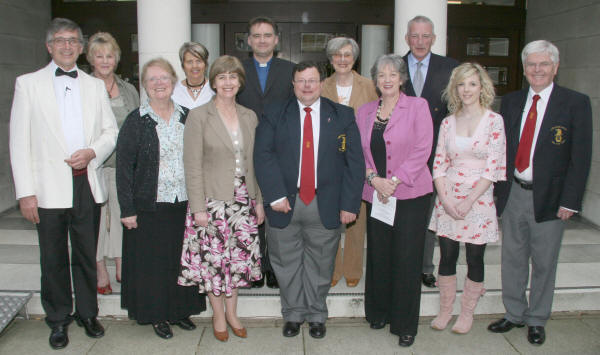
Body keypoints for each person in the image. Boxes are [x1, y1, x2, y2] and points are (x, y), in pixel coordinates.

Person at [9, 18, 118, 350]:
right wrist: (26, 192)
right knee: (53, 258)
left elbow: (110, 132)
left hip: (86, 182)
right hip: (47, 190)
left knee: (87, 254)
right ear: (49, 46)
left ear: (81, 47)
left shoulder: (94, 85)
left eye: (73, 40)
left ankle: (88, 313)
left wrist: (91, 152)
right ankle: (58, 319)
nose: (67, 45)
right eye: (60, 40)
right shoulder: (27, 84)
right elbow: (19, 142)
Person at [488, 40, 592, 346]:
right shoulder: (511, 101)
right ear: (524, 69)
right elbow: (500, 148)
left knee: (545, 261)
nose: (537, 70)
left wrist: (571, 201)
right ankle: (514, 313)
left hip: (551, 196)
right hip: (514, 192)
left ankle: (537, 318)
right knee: (513, 258)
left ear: (555, 67)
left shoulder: (575, 103)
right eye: (531, 64)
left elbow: (581, 157)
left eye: (544, 64)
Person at [254, 61, 364, 339]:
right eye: (301, 80)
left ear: (321, 83)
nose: (306, 86)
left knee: (321, 263)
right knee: (285, 262)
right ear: (293, 84)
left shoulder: (342, 115)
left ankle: (316, 314)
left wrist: (350, 204)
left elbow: (354, 163)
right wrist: (275, 195)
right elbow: (263, 155)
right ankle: (292, 314)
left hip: (324, 203)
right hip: (284, 202)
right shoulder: (275, 113)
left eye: (312, 80)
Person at [116, 58, 206, 339]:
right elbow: (123, 168)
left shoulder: (187, 116)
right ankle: (156, 314)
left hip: (183, 203)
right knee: (153, 264)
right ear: (144, 85)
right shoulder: (136, 120)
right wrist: (128, 209)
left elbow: (201, 158)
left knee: (179, 260)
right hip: (149, 206)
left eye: (163, 78)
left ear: (173, 82)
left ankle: (180, 310)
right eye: (152, 79)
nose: (158, 84)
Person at [178, 55, 264, 342]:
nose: (228, 82)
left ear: (240, 81)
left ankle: (232, 313)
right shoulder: (199, 116)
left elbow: (255, 162)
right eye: (222, 77)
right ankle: (217, 315)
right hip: (212, 201)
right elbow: (192, 165)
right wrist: (199, 207)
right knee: (215, 262)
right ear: (213, 82)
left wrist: (259, 200)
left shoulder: (249, 116)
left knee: (237, 261)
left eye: (233, 77)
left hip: (243, 200)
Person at [357, 54, 433, 347]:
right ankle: (379, 312)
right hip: (376, 194)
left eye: (393, 74)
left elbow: (422, 147)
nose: (387, 80)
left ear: (402, 78)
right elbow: (358, 153)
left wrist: (395, 180)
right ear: (375, 80)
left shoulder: (417, 106)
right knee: (379, 254)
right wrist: (374, 179)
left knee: (406, 258)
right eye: (381, 75)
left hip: (411, 194)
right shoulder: (364, 112)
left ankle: (404, 324)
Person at [428, 63, 506, 333]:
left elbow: (493, 167)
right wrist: (447, 199)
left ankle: (467, 313)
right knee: (447, 256)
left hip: (479, 198)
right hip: (448, 196)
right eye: (462, 84)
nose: (467, 90)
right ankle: (446, 310)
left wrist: (469, 200)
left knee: (475, 258)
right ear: (455, 88)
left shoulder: (494, 121)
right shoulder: (448, 122)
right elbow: (438, 163)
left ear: (482, 86)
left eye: (472, 84)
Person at [237, 16, 295, 289]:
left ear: (276, 39)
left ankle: (273, 266)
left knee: (275, 208)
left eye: (267, 35)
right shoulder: (237, 70)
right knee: (250, 208)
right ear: (249, 40)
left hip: (279, 151)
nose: (262, 40)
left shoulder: (290, 70)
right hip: (244, 148)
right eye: (256, 35)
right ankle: (253, 266)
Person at [403, 15, 459, 288]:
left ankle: (425, 266)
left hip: (437, 158)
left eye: (426, 36)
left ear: (434, 38)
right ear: (407, 39)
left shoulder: (451, 68)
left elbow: (457, 113)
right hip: (400, 160)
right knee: (402, 217)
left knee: (428, 217)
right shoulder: (393, 67)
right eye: (415, 36)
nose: (420, 41)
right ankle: (402, 263)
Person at [322, 37, 378, 288]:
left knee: (357, 215)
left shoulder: (369, 85)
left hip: (360, 159)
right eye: (337, 55)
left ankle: (354, 267)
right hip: (329, 161)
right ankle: (332, 269)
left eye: (347, 54)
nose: (342, 59)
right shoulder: (322, 86)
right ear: (330, 59)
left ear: (355, 58)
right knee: (330, 217)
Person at [86, 31, 140, 295]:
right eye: (99, 56)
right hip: (92, 167)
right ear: (91, 58)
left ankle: (121, 267)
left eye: (109, 55)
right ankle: (100, 271)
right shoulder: (83, 88)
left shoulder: (129, 89)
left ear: (116, 59)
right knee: (95, 221)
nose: (105, 61)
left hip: (123, 168)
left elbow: (139, 125)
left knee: (122, 217)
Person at [172, 41, 215, 109]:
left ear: (206, 64)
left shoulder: (215, 89)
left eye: (198, 61)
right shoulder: (173, 91)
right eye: (189, 62)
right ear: (183, 66)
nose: (194, 66)